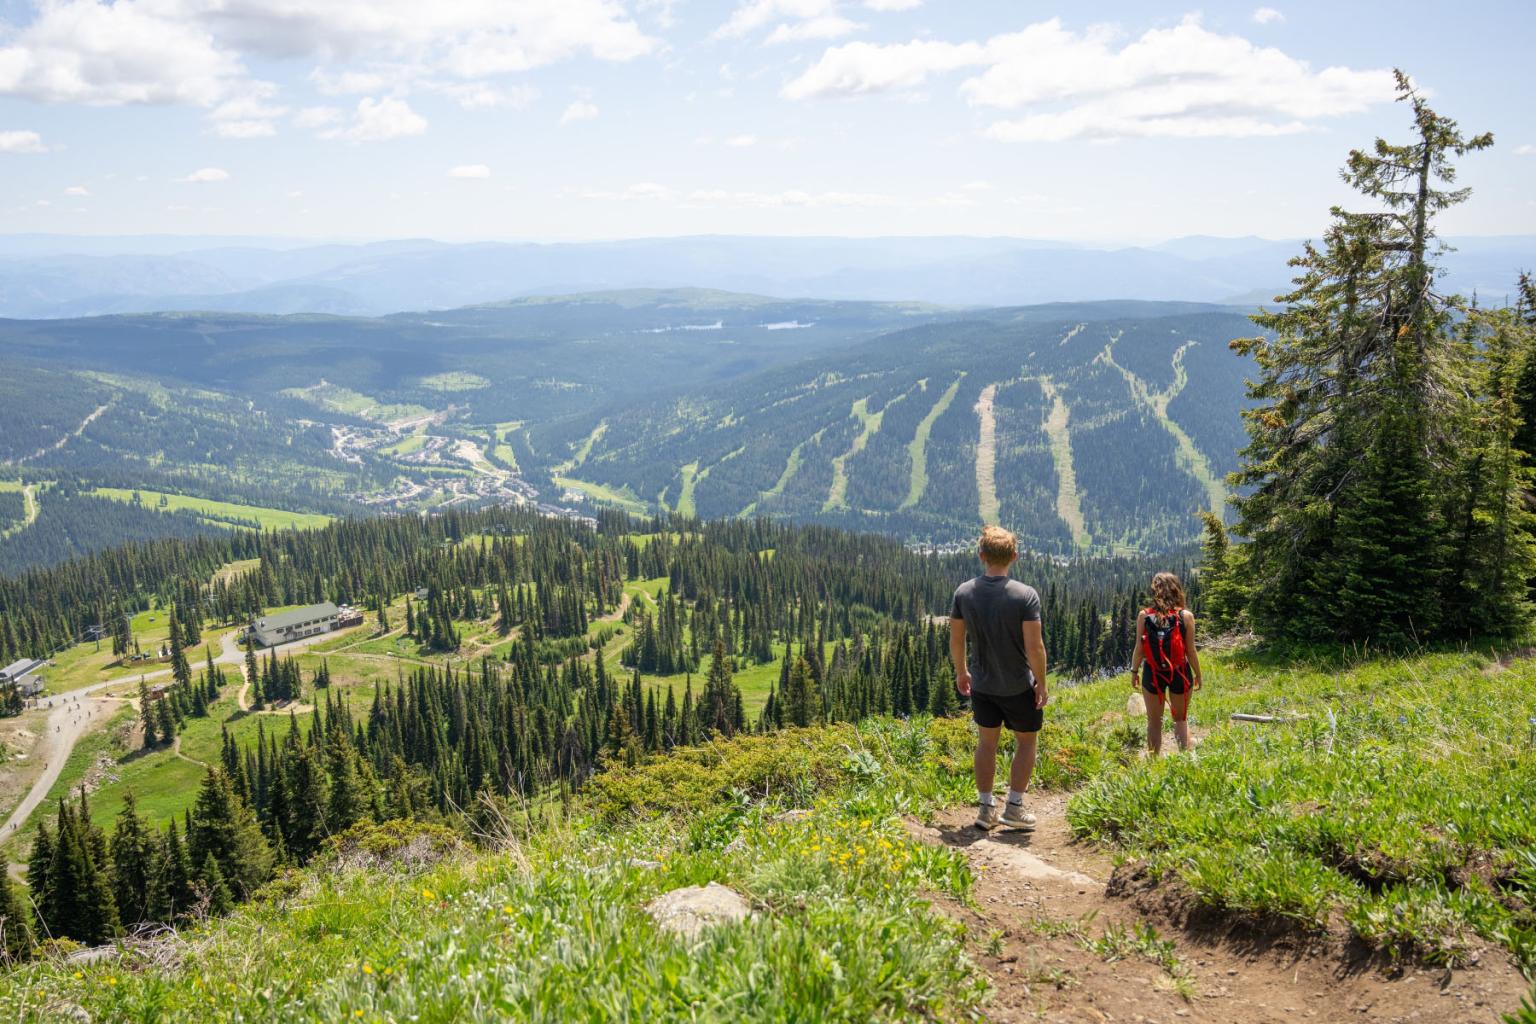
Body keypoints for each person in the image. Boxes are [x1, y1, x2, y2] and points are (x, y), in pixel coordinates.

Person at [949, 525, 1049, 831]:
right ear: (1014, 557)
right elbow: (1035, 647)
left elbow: (957, 639)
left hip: (982, 685)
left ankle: (985, 809)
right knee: (1026, 742)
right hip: (1018, 685)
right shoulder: (1025, 595)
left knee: (986, 743)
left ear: (982, 555)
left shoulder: (964, 592)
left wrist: (961, 671)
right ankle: (1014, 807)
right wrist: (1041, 683)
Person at [1129, 572, 1202, 755]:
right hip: (1180, 672)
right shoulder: (1186, 616)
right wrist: (1198, 674)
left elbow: (1139, 649)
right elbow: (1191, 651)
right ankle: (1186, 759)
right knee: (1180, 720)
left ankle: (1154, 762)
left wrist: (1134, 671)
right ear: (1176, 590)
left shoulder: (1144, 616)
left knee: (1154, 722)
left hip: (1152, 672)